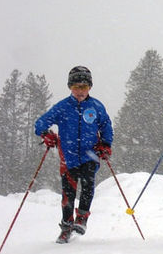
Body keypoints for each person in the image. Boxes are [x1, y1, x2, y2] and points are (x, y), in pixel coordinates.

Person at [35, 66, 113, 244]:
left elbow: (106, 126)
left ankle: (82, 218)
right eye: (77, 87)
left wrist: (106, 145)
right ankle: (66, 226)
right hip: (68, 158)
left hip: (90, 155)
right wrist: (45, 134)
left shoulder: (96, 106)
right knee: (68, 193)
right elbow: (41, 122)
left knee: (87, 186)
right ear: (70, 87)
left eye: (84, 87)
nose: (80, 91)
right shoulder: (63, 107)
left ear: (90, 88)